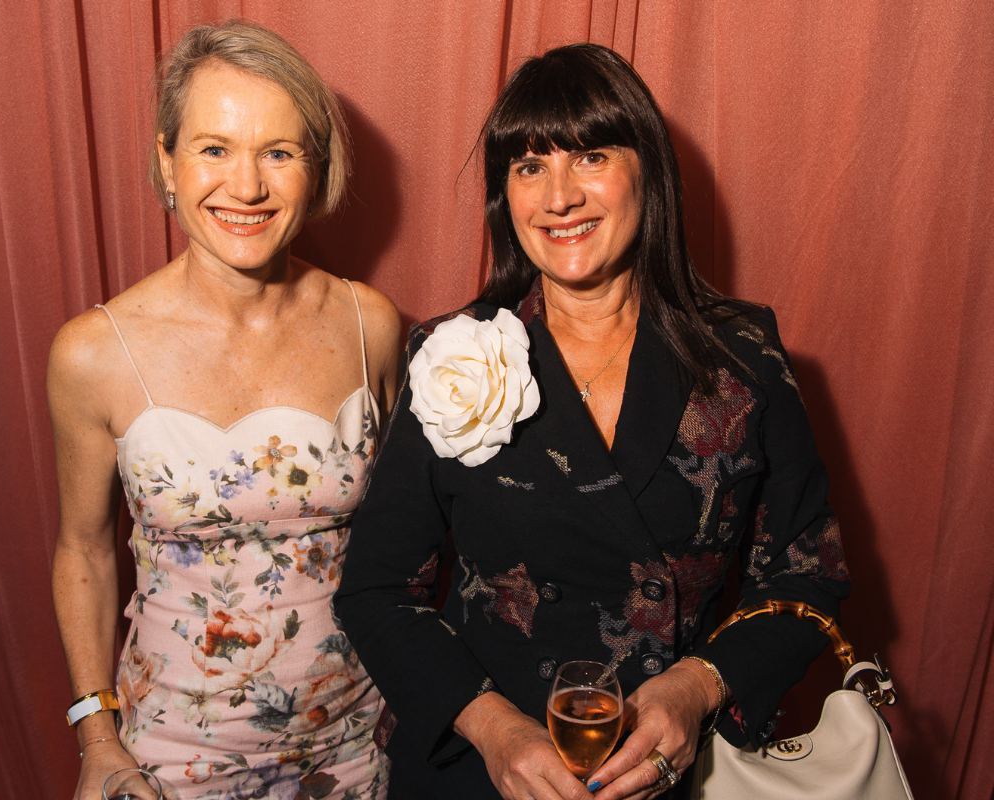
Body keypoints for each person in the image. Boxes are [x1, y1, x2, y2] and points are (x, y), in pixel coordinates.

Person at [334, 43, 850, 800]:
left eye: (592, 157)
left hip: (672, 773)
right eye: (529, 166)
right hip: (480, 771)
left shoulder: (744, 358)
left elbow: (809, 577)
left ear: (648, 172)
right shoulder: (451, 355)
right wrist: (493, 729)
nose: (560, 197)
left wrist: (699, 684)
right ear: (504, 196)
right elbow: (375, 590)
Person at [48, 21, 399, 800]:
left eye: (279, 153)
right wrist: (96, 738)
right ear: (166, 162)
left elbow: (405, 542)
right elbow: (84, 552)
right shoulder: (92, 353)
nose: (245, 188)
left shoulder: (369, 324)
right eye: (214, 149)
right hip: (170, 761)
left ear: (316, 169)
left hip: (353, 748)